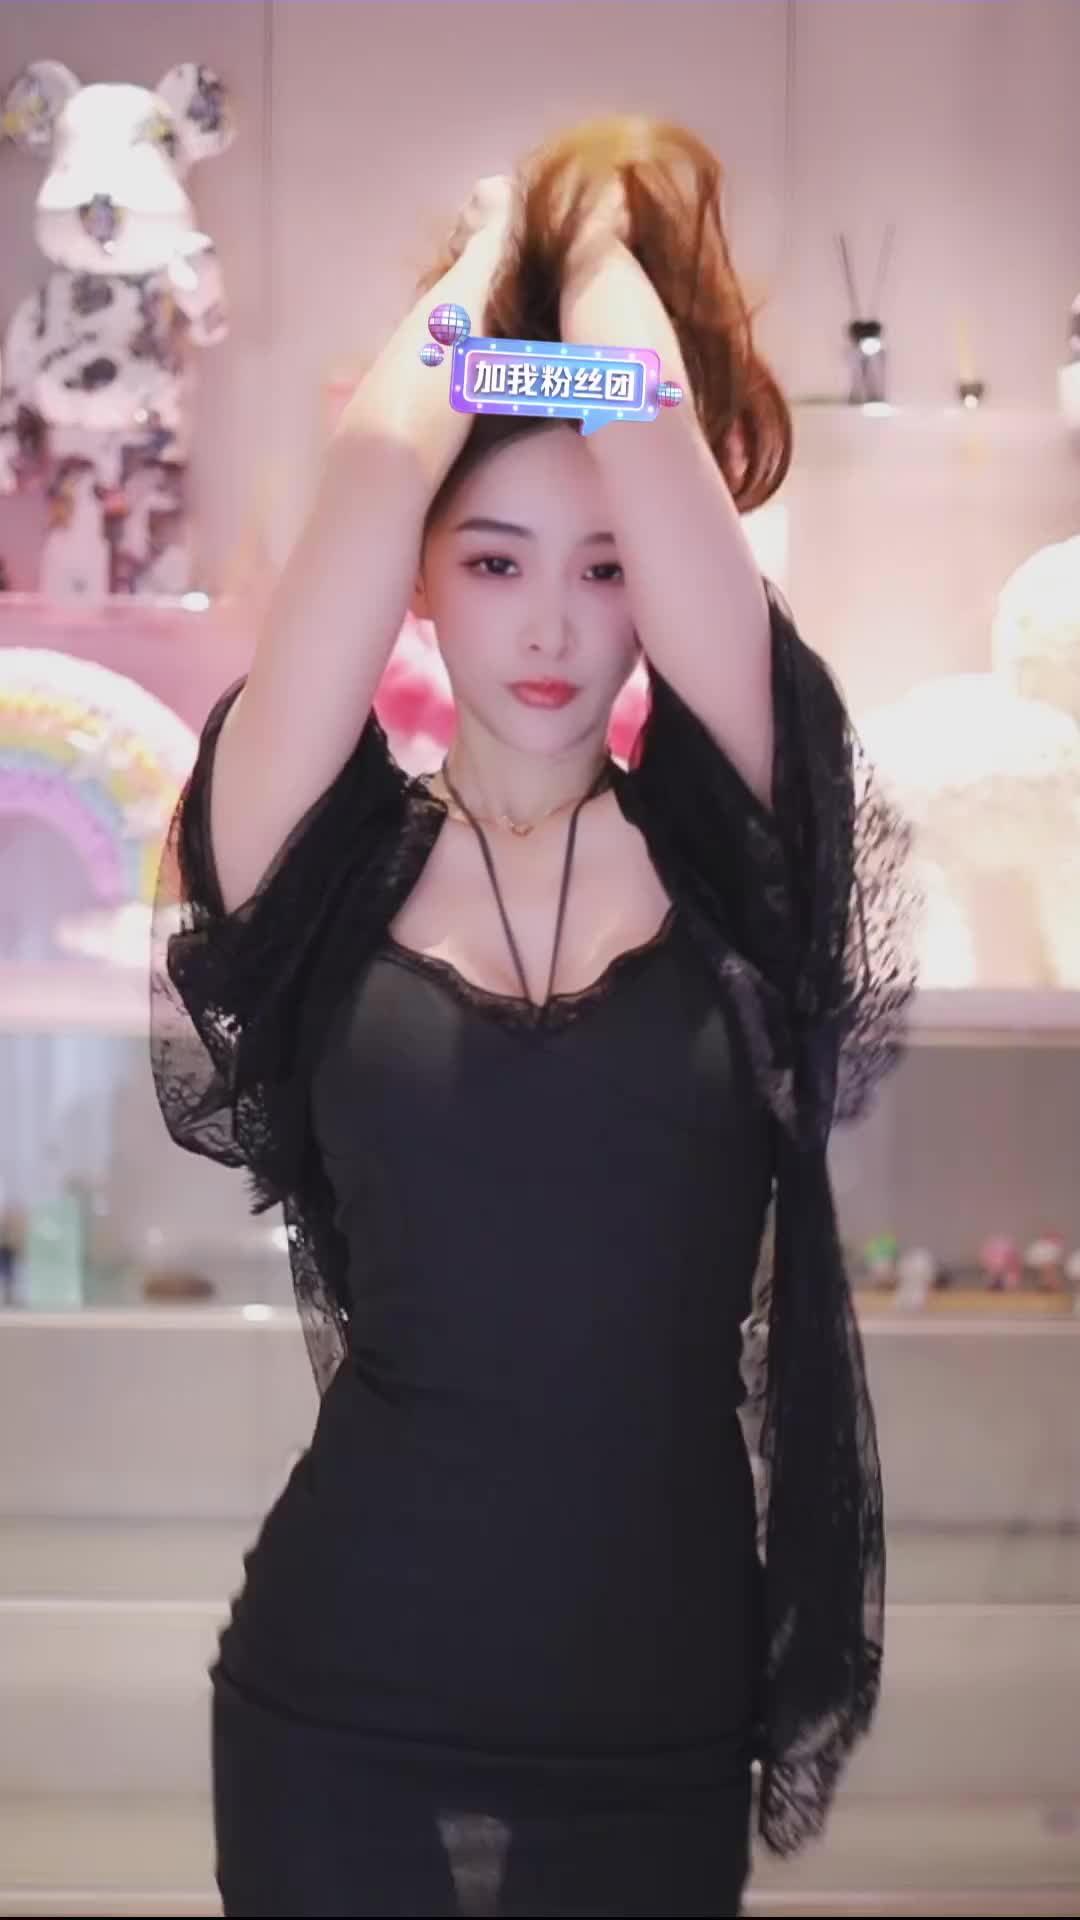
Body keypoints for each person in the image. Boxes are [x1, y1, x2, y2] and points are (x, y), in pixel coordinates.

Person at [151, 115, 918, 1919]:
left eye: (605, 565)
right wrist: (485, 252)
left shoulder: (742, 859)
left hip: (657, 1726)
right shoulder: (315, 864)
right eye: (493, 561)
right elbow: (370, 476)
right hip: (339, 1706)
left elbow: (650, 433)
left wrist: (588, 240)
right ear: (420, 580)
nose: (555, 626)